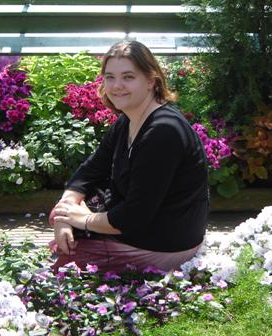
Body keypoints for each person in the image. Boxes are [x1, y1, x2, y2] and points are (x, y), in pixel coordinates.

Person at [49, 40, 209, 273]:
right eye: (110, 77)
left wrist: (81, 220)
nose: (116, 86)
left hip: (164, 246)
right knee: (63, 227)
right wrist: (66, 213)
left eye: (128, 77)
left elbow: (132, 217)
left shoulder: (163, 132)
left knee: (63, 264)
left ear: (151, 81)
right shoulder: (129, 120)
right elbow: (91, 170)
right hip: (141, 229)